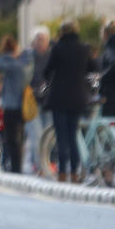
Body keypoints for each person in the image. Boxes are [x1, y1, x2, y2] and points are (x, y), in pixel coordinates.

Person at [44, 20, 95, 182]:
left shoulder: (58, 48)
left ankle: (62, 172)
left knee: (61, 137)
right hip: (78, 98)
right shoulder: (84, 49)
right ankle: (74, 172)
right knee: (73, 136)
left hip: (59, 98)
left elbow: (47, 71)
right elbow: (93, 68)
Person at [0, 35, 34, 174]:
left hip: (11, 105)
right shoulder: (25, 62)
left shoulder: (12, 65)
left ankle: (15, 167)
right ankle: (16, 165)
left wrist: (9, 56)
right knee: (19, 137)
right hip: (23, 104)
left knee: (11, 138)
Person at [25, 25, 52, 173]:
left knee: (48, 135)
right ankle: (39, 165)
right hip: (32, 101)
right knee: (36, 135)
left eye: (43, 40)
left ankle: (46, 163)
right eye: (38, 39)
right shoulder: (27, 56)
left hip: (48, 100)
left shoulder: (52, 56)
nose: (41, 43)